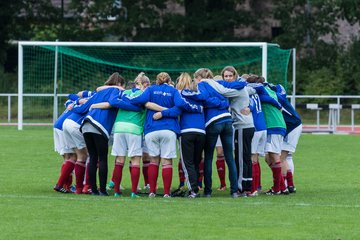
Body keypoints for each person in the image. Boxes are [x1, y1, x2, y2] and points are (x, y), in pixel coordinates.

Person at [128, 72, 202, 198]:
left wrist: (132, 99)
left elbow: (139, 100)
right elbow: (180, 106)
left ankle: (152, 191)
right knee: (167, 162)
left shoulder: (150, 89)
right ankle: (167, 193)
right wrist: (166, 111)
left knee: (153, 161)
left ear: (156, 81)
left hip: (151, 129)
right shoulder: (173, 91)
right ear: (169, 81)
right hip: (169, 129)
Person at [91, 72, 149, 198]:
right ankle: (134, 192)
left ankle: (117, 191)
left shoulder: (123, 93)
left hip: (119, 128)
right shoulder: (145, 95)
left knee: (119, 160)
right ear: (144, 84)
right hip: (134, 128)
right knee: (135, 160)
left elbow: (110, 100)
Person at [183, 68, 239, 198]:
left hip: (213, 122)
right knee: (229, 157)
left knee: (208, 157)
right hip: (227, 119)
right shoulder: (217, 84)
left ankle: (208, 191)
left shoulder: (202, 84)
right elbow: (225, 101)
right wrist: (220, 103)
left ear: (198, 78)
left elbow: (204, 98)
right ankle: (234, 190)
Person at [201, 67, 255, 196]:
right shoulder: (235, 88)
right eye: (226, 76)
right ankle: (243, 188)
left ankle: (239, 188)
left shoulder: (233, 89)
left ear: (235, 76)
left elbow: (222, 91)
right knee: (239, 157)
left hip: (240, 124)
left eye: (230, 76)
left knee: (238, 158)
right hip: (233, 123)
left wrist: (206, 81)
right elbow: (250, 91)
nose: (228, 78)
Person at [72, 72, 127, 196]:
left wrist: (72, 107)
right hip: (99, 126)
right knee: (102, 158)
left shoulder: (99, 93)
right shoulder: (116, 91)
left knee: (92, 157)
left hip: (86, 125)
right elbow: (113, 103)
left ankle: (94, 190)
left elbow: (82, 108)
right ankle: (102, 190)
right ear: (120, 84)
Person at [268, 83, 302, 193]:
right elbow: (279, 87)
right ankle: (289, 185)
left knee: (280, 158)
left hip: (292, 127)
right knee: (276, 157)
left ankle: (285, 186)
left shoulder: (273, 96)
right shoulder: (278, 91)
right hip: (290, 126)